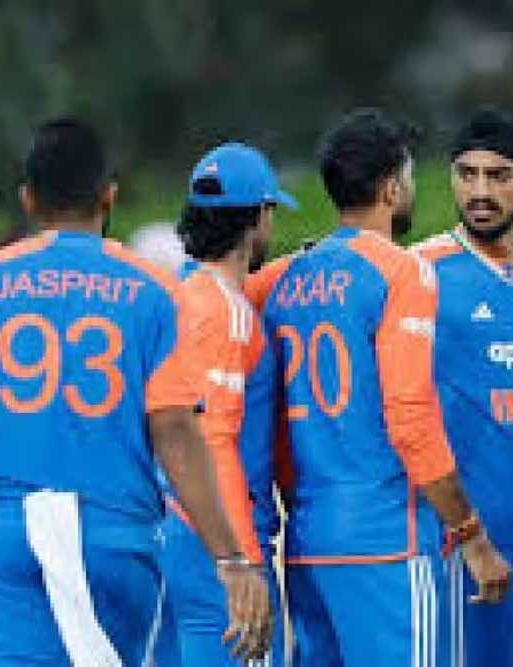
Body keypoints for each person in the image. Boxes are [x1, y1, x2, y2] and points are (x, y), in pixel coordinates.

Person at [0, 118, 269, 665]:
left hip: (8, 532)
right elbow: (175, 429)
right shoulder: (155, 290)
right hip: (111, 532)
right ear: (109, 195)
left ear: (28, 199)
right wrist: (230, 559)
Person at [261, 108, 511, 666]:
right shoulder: (402, 270)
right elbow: (411, 418)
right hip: (387, 540)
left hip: (308, 539)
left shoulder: (284, 278)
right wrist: (470, 533)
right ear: (392, 188)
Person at [413, 106, 513, 667]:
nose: (480, 191)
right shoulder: (421, 271)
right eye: (468, 174)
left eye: (499, 176)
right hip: (466, 540)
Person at [155, 142, 296, 666]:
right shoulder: (227, 313)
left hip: (168, 527)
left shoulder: (179, 294)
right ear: (259, 217)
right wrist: (240, 561)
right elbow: (214, 443)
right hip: (218, 538)